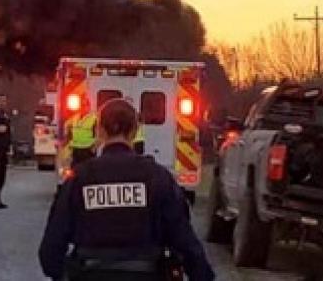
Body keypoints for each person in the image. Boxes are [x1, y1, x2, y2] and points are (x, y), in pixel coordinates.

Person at [39, 99, 214, 281]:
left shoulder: (79, 179)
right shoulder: (158, 177)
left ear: (99, 130)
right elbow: (184, 239)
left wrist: (65, 274)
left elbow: (51, 249)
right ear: (135, 131)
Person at [66, 96, 98, 169]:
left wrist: (94, 147)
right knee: (74, 171)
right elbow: (69, 130)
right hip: (76, 149)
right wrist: (69, 143)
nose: (83, 107)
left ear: (88, 107)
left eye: (85, 105)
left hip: (88, 150)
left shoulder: (94, 119)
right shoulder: (74, 118)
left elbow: (98, 135)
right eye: (81, 105)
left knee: (88, 171)